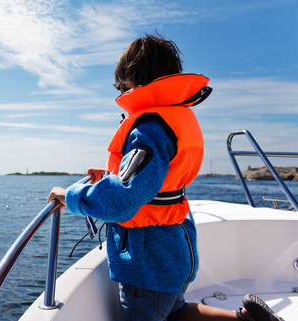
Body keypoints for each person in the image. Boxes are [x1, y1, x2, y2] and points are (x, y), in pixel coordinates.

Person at [47, 34, 284, 321]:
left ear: (132, 83)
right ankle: (247, 320)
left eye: (120, 87)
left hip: (149, 262)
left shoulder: (149, 129)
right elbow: (151, 176)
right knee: (175, 313)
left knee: (160, 311)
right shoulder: (173, 117)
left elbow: (124, 197)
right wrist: (112, 173)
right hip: (172, 250)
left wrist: (70, 196)